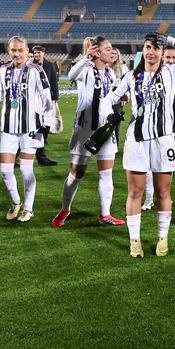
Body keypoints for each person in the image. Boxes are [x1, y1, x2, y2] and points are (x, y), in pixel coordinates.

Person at [103, 33, 175, 257]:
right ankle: (135, 240)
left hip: (164, 141)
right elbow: (109, 98)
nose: (151, 52)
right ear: (143, 49)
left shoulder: (172, 71)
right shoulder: (131, 76)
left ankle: (162, 238)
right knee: (135, 191)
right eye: (148, 47)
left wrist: (170, 40)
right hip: (136, 141)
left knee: (163, 191)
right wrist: (109, 114)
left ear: (162, 51)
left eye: (156, 48)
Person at [0, 36, 54, 223]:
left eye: (20, 50)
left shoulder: (36, 70)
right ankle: (16, 202)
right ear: (9, 51)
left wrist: (47, 121)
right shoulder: (4, 70)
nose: (17, 54)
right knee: (5, 170)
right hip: (8, 128)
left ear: (27, 51)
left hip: (32, 128)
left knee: (26, 170)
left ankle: (28, 208)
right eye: (13, 50)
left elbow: (46, 96)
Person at [50, 36, 125, 228]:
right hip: (85, 129)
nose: (112, 52)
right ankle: (65, 209)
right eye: (107, 49)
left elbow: (110, 98)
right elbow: (71, 74)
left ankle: (105, 214)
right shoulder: (86, 69)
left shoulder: (110, 73)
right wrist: (85, 57)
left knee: (106, 173)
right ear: (97, 52)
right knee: (77, 174)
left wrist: (121, 98)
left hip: (105, 129)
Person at [31, 46, 59, 166]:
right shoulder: (29, 65)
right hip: (32, 101)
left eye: (39, 52)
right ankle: (39, 156)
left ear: (43, 53)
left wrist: (55, 97)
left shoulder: (50, 65)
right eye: (35, 53)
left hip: (44, 100)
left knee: (39, 128)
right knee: (33, 129)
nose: (37, 55)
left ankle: (41, 155)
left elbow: (54, 82)